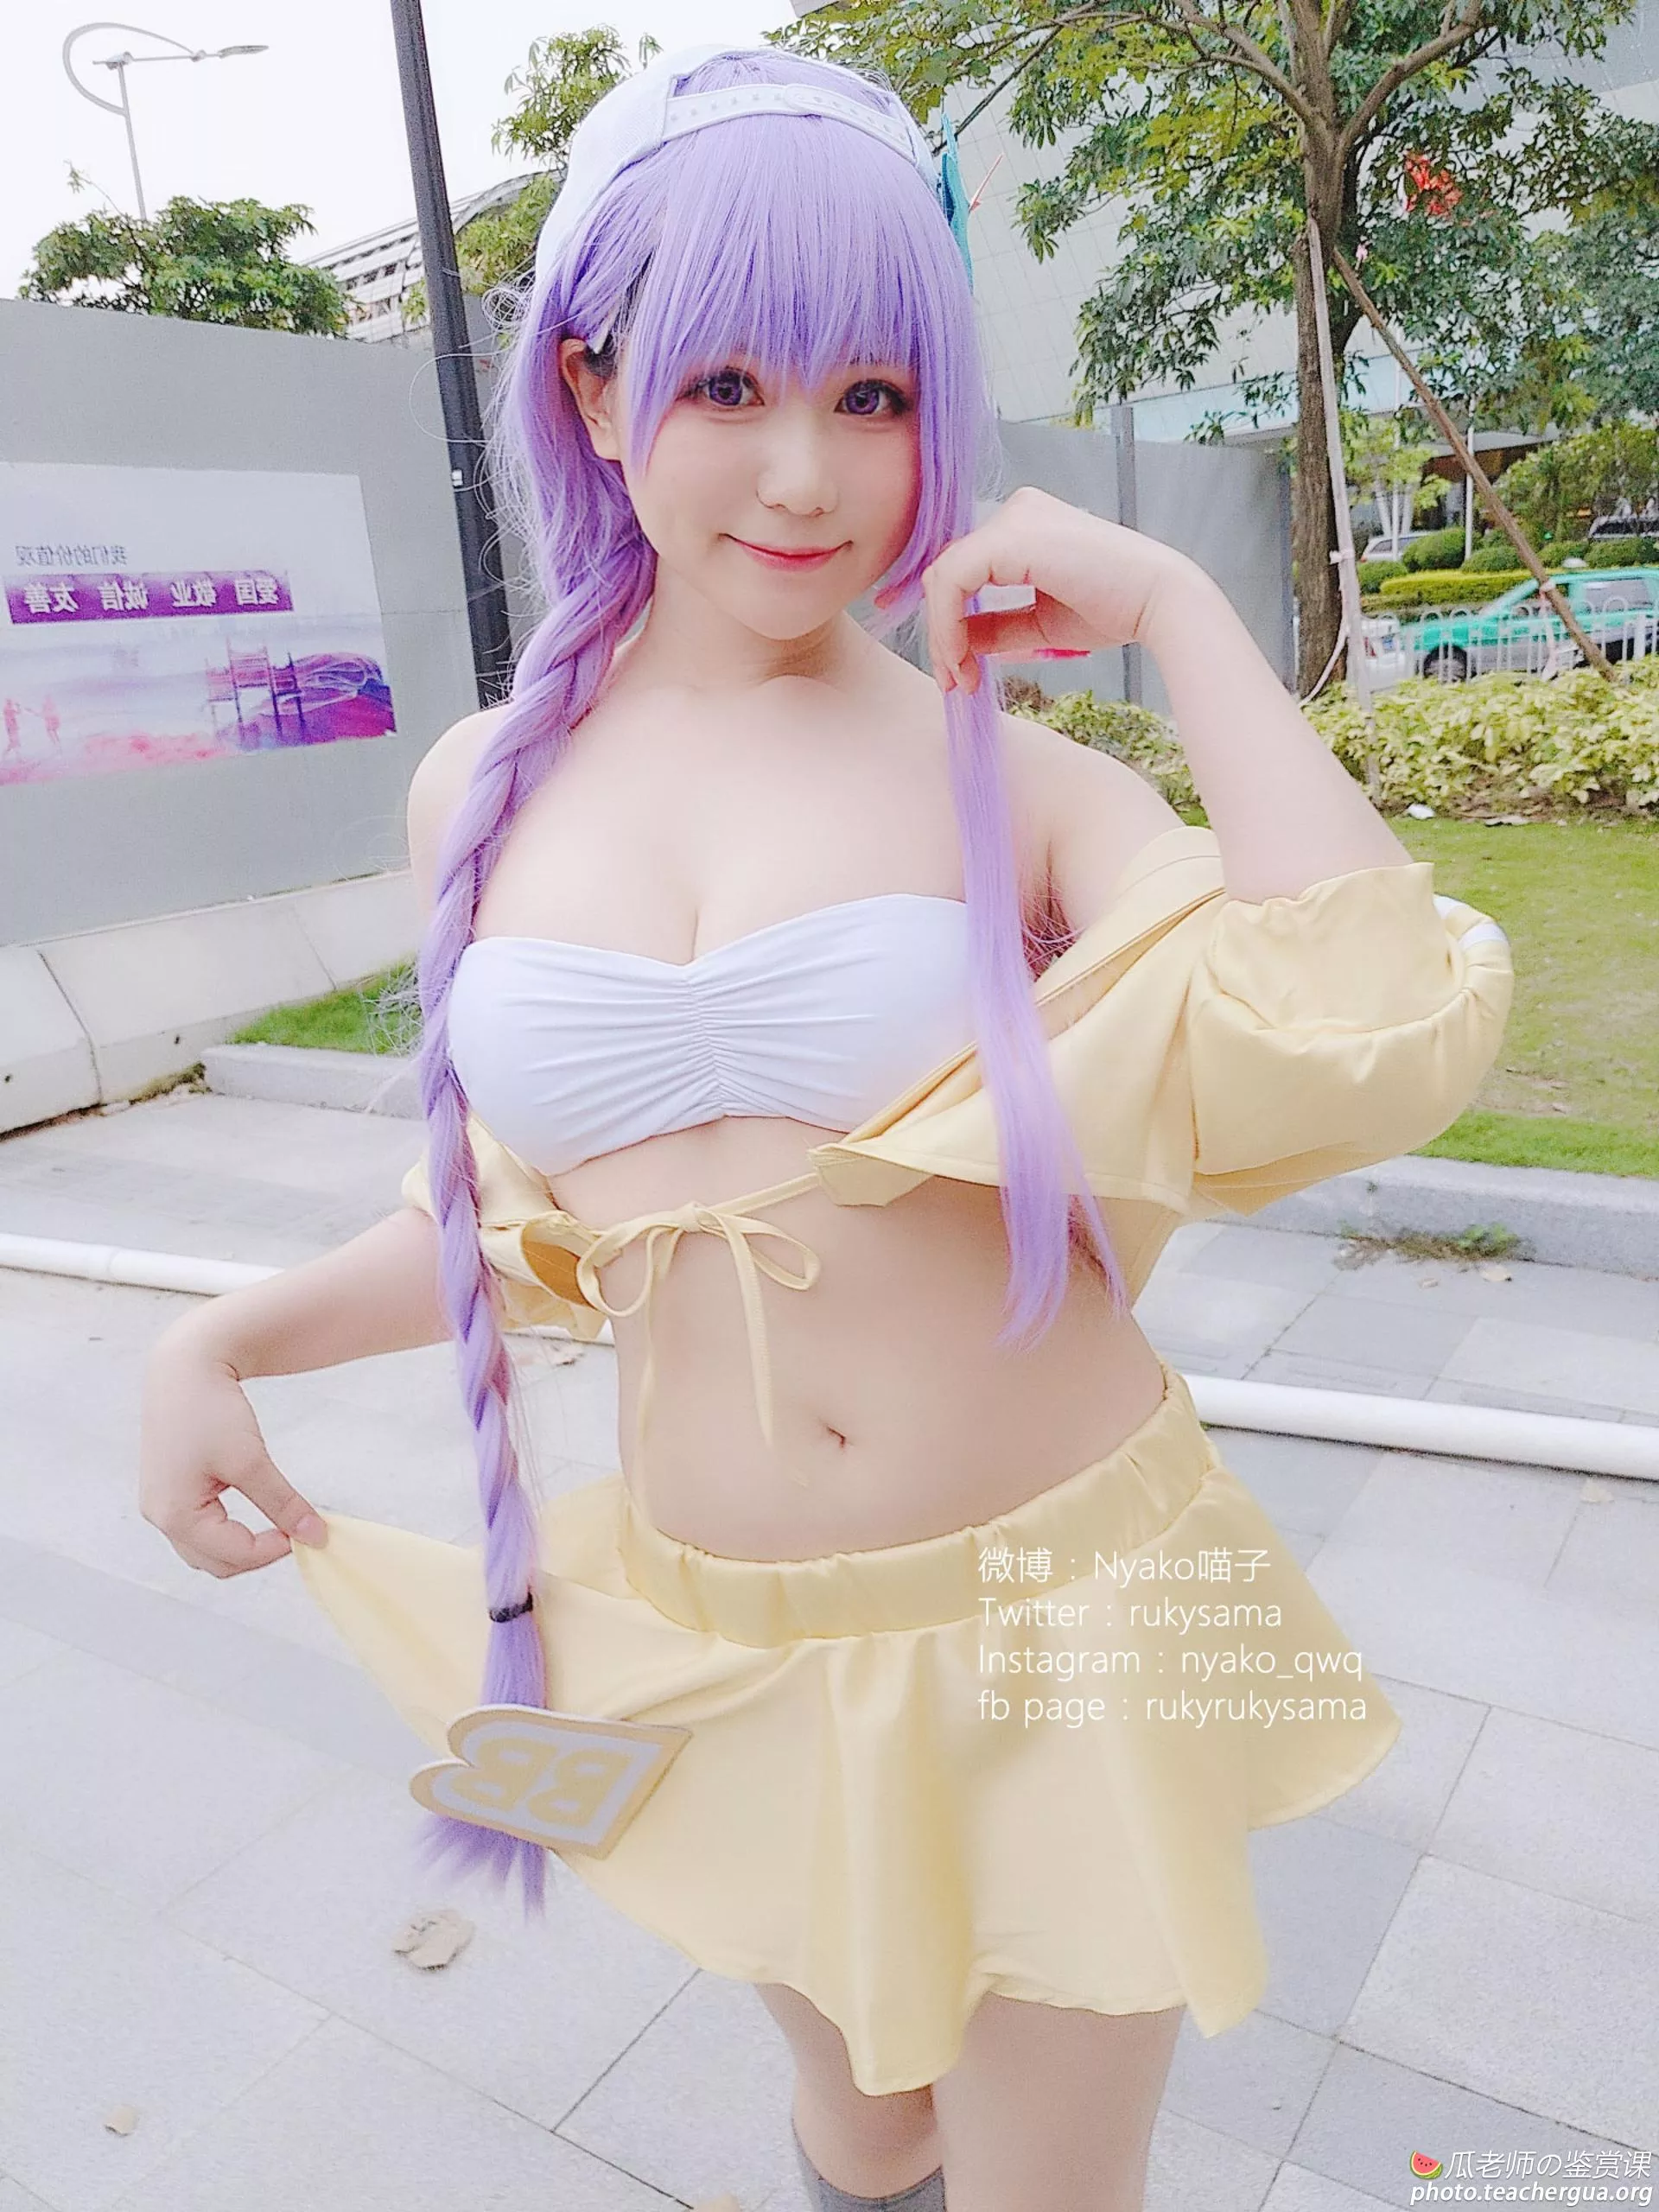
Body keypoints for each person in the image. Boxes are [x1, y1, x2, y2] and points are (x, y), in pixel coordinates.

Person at [137, 45, 1513, 2212]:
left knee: (1044, 2181)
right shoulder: (479, 788)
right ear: (595, 393)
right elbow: (503, 1215)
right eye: (727, 384)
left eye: (874, 395)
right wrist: (216, 1337)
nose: (805, 472)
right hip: (718, 1635)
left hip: (1056, 1619)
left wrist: (1181, 616)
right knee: (864, 2123)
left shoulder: (1012, 775)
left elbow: (1373, 1021)